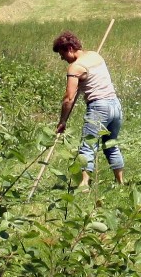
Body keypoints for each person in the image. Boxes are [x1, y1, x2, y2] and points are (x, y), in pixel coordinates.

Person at [52, 30, 125, 188]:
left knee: (88, 146)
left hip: (99, 107)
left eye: (62, 53)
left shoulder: (75, 67)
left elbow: (69, 98)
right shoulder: (95, 55)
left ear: (70, 48)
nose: (62, 58)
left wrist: (62, 120)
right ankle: (120, 183)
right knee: (111, 144)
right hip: (115, 105)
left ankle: (84, 184)